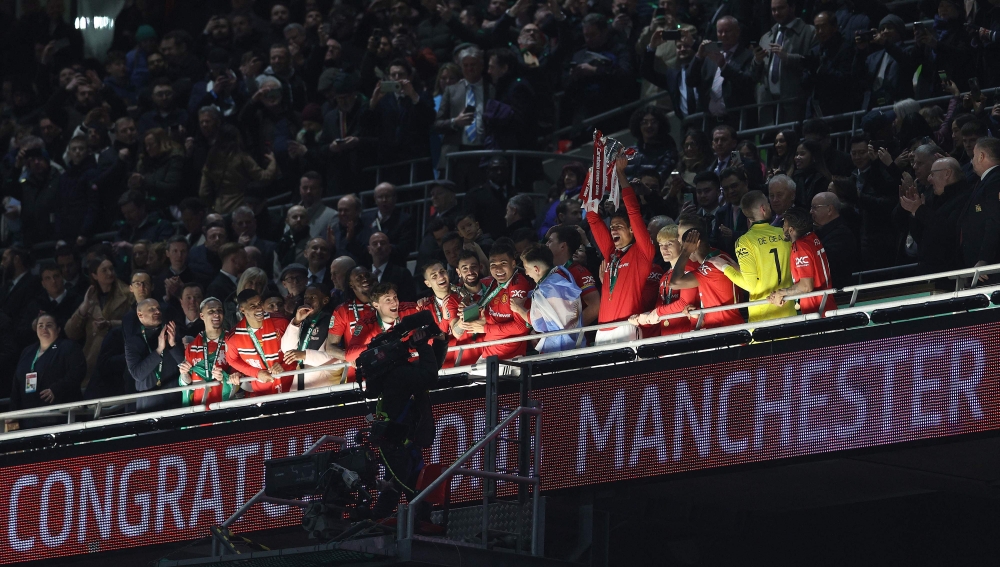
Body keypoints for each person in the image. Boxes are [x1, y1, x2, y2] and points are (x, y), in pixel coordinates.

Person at [359, 323, 447, 520]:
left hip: (401, 444)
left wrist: (439, 342)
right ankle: (375, 526)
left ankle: (418, 524)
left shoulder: (397, 373)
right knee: (398, 487)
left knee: (408, 486)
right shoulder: (399, 375)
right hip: (401, 446)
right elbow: (429, 376)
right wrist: (423, 345)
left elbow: (431, 367)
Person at [585, 156, 656, 344]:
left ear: (632, 230)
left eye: (619, 226)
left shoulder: (642, 252)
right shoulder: (611, 254)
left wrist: (620, 174)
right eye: (612, 227)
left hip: (627, 327)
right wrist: (593, 180)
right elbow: (592, 217)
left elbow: (633, 211)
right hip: (602, 329)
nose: (613, 230)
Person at [707, 190, 795, 322]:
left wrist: (724, 267)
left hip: (763, 316)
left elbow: (750, 285)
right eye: (768, 204)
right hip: (789, 311)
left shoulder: (745, 241)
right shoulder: (784, 233)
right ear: (763, 209)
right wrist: (736, 267)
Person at [5, 314, 86, 431]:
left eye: (49, 325)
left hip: (58, 417)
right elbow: (17, 382)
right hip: (29, 418)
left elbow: (78, 371)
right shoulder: (28, 351)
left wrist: (58, 388)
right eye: (40, 325)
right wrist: (13, 411)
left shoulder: (68, 347)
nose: (44, 329)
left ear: (58, 329)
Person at [456, 242, 534, 359]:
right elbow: (472, 286)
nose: (498, 269)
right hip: (490, 353)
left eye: (503, 263)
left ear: (513, 263)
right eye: (493, 264)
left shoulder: (517, 285)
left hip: (509, 358)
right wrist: (466, 302)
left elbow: (521, 327)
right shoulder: (492, 283)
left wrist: (485, 328)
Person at [893, 157, 970, 275]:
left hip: (950, 273)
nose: (929, 179)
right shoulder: (935, 197)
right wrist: (915, 213)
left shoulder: (964, 197)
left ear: (947, 174)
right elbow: (921, 237)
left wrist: (920, 210)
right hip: (929, 270)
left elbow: (949, 231)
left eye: (932, 174)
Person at [64, 258, 133, 387]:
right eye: (104, 270)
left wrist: (111, 323)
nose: (109, 273)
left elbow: (134, 322)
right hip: (92, 359)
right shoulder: (91, 297)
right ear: (94, 275)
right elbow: (70, 333)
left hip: (117, 356)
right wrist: (83, 308)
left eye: (111, 268)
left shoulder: (127, 294)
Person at [668, 215, 743, 328]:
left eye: (684, 248)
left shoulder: (712, 266)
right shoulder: (720, 256)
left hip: (725, 330)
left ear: (695, 245)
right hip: (726, 326)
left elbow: (674, 283)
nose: (685, 254)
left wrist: (685, 252)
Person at [751, 0, 817, 126]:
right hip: (768, 106)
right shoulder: (766, 37)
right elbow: (754, 75)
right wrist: (757, 61)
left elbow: (813, 64)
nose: (776, 13)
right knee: (769, 143)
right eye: (773, 9)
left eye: (781, 8)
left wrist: (787, 57)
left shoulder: (809, 32)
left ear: (792, 7)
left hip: (795, 103)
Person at [629, 224, 699, 335]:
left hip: (686, 336)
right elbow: (660, 309)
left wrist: (656, 313)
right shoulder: (664, 277)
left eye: (669, 244)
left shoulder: (689, 268)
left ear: (681, 244)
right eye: (661, 245)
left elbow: (684, 303)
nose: (664, 249)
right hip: (667, 337)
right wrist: (643, 319)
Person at [513, 244, 582, 353]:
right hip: (576, 340)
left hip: (558, 348)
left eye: (526, 269)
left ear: (536, 269)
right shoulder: (561, 275)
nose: (526, 273)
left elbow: (536, 322)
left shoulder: (544, 291)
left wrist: (518, 308)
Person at [768, 207, 837, 316]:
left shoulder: (800, 247)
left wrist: (781, 293)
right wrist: (787, 295)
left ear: (790, 230)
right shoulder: (813, 238)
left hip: (817, 312)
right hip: (826, 306)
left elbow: (806, 286)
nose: (782, 227)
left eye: (784, 224)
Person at [225, 289, 295, 395]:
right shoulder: (234, 336)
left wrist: (284, 366)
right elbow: (232, 360)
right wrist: (257, 373)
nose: (259, 309)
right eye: (253, 306)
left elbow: (297, 349)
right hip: (261, 390)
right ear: (242, 310)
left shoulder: (281, 323)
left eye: (260, 304)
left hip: (290, 384)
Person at [125, 298, 185, 412]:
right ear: (140, 314)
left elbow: (184, 365)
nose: (157, 311)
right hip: (149, 404)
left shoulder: (172, 334)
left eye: (158, 308)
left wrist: (172, 345)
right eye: (152, 309)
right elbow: (138, 374)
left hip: (175, 401)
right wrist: (159, 350)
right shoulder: (133, 342)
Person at [281, 286, 343, 390]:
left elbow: (339, 359)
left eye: (312, 297)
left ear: (325, 300)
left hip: (326, 388)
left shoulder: (334, 321)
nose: (308, 301)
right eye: (306, 298)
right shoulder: (302, 320)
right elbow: (287, 350)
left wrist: (305, 355)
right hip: (299, 385)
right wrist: (296, 322)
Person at [346, 282, 420, 362]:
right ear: (376, 305)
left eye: (395, 297)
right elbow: (349, 355)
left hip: (416, 365)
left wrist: (424, 301)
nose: (395, 302)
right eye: (388, 300)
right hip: (388, 369)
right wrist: (379, 346)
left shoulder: (409, 309)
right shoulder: (366, 322)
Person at [959, 137, 1000, 273]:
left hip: (990, 266)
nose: (972, 161)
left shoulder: (995, 181)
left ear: (981, 156)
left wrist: (984, 258)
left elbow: (995, 220)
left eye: (974, 156)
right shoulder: (987, 181)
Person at [546, 225, 600, 326]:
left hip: (574, 340)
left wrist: (572, 329)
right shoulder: (550, 272)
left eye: (550, 241)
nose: (546, 245)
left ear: (562, 246)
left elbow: (595, 306)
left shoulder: (579, 272)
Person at [418, 261, 462, 367]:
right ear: (427, 283)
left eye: (442, 271)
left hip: (469, 357)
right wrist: (445, 320)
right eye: (434, 276)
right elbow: (430, 342)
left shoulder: (463, 295)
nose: (441, 276)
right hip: (443, 365)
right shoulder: (425, 308)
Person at [811, 192, 858, 288]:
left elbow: (825, 263)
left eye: (815, 207)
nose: (811, 212)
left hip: (837, 292)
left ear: (829, 209)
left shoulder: (842, 235)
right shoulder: (818, 231)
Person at [369, 232, 417, 301]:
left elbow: (409, 302)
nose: (379, 246)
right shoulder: (365, 275)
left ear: (390, 248)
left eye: (382, 243)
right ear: (369, 249)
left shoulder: (402, 274)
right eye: (374, 244)